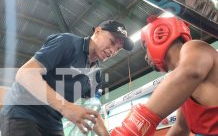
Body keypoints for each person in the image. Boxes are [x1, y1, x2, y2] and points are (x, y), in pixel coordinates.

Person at [0, 20, 134, 136]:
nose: (112, 51)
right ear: (97, 31)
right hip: (22, 112)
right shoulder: (67, 42)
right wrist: (66, 107)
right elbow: (25, 74)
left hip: (52, 122)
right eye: (111, 42)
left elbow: (93, 111)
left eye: (118, 49)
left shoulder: (96, 74)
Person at [93, 16, 218, 136]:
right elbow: (180, 129)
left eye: (145, 47)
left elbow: (190, 73)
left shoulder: (195, 46)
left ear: (159, 37)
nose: (146, 56)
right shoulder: (184, 95)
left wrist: (129, 131)